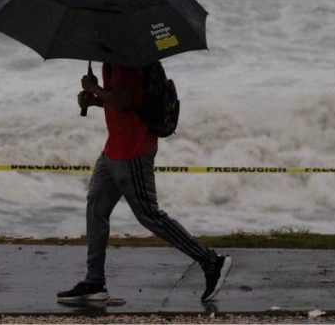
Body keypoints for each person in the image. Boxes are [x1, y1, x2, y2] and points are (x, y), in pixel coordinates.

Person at [57, 62, 231, 304]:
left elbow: (124, 101)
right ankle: (94, 282)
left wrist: (94, 88)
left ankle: (212, 262)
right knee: (96, 206)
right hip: (113, 150)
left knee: (150, 215)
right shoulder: (112, 58)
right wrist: (94, 100)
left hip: (134, 151)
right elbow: (122, 101)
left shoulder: (126, 61)